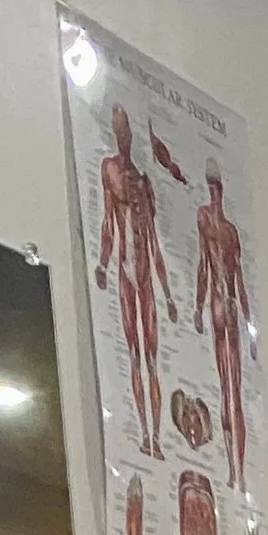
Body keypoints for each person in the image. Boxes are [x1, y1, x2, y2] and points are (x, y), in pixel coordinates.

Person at [96, 105, 177, 460]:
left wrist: (170, 295)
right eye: (118, 128)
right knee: (133, 355)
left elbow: (156, 241)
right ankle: (145, 433)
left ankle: (155, 438)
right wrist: (101, 263)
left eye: (126, 128)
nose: (123, 134)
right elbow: (108, 221)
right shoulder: (110, 169)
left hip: (144, 273)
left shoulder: (143, 182)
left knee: (152, 359)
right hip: (126, 271)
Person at [193, 168, 254, 493]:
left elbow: (239, 278)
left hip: (226, 305)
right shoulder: (206, 219)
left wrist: (248, 322)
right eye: (212, 187)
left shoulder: (229, 231)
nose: (214, 193)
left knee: (234, 391)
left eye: (217, 187)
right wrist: (197, 306)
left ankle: (238, 470)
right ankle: (233, 469)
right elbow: (204, 265)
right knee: (225, 390)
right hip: (218, 303)